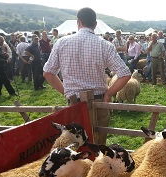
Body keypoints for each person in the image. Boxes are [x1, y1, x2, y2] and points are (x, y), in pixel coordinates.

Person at [43, 7, 131, 145]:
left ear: (78, 22)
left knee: (75, 147)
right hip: (99, 103)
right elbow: (125, 74)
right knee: (98, 145)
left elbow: (48, 72)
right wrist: (109, 94)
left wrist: (65, 91)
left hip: (74, 104)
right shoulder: (104, 45)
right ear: (95, 24)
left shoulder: (61, 42)